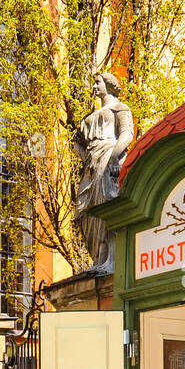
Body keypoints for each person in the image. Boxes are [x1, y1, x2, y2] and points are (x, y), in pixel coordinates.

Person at [72, 70, 134, 271]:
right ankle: (98, 258)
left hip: (108, 156)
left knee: (106, 203)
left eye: (98, 82)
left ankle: (111, 259)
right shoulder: (89, 117)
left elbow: (127, 135)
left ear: (109, 84)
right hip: (92, 163)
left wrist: (114, 157)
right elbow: (77, 143)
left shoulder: (120, 108)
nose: (94, 86)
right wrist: (85, 155)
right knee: (84, 209)